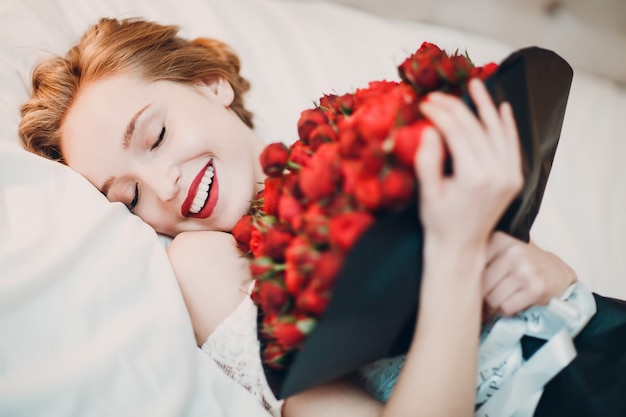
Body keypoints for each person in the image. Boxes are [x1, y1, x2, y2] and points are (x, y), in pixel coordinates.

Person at [18, 18, 577, 416]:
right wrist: (457, 258)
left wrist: (549, 276)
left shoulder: (357, 148)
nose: (163, 186)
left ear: (211, 84)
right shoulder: (205, 260)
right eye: (131, 198)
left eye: (157, 136)